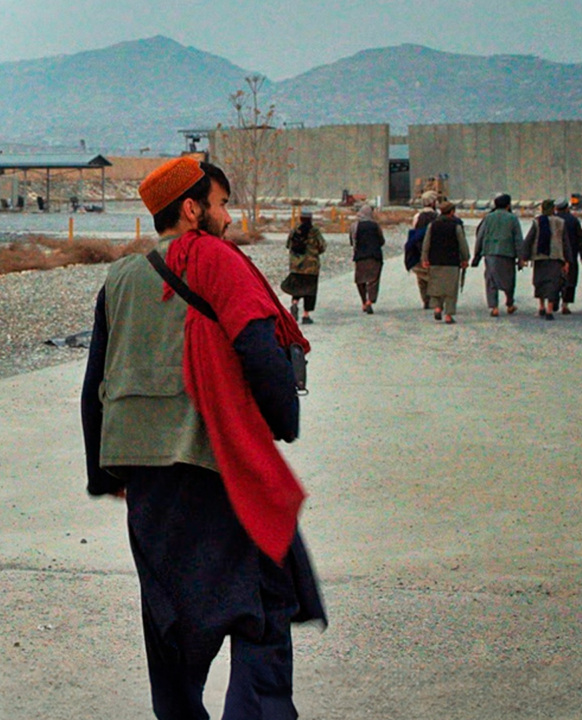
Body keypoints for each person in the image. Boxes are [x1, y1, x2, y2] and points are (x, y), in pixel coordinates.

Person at [80, 156, 325, 720]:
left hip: (147, 479)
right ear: (192, 210)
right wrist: (283, 422)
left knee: (170, 617)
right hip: (220, 466)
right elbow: (260, 350)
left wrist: (105, 475)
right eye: (221, 204)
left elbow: (95, 383)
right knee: (263, 605)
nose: (228, 217)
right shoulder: (219, 260)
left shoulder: (119, 278)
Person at [471, 193, 524, 317]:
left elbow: (480, 236)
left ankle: (494, 307)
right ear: (508, 205)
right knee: (509, 280)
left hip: (490, 253)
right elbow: (518, 239)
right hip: (508, 253)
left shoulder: (488, 218)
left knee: (491, 280)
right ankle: (509, 304)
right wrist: (521, 257)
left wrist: (477, 255)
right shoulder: (513, 218)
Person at [523, 200, 573, 320]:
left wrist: (524, 257)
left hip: (540, 257)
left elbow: (529, 240)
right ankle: (549, 310)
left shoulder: (537, 222)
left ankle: (541, 307)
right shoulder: (560, 222)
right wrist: (568, 260)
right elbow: (565, 242)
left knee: (540, 282)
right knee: (553, 283)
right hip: (556, 257)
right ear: (553, 209)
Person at [422, 201, 470, 324]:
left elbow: (426, 243)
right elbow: (462, 244)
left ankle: (437, 308)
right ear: (452, 212)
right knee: (451, 289)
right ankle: (448, 315)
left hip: (435, 260)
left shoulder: (432, 225)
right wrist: (465, 258)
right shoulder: (456, 226)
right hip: (452, 261)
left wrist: (424, 258)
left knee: (435, 285)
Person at [282, 207, 326, 324]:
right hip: (311, 266)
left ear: (300, 218)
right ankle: (306, 315)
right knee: (310, 290)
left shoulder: (295, 230)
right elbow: (322, 246)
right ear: (311, 218)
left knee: (297, 288)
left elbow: (288, 245)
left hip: (296, 266)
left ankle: (294, 303)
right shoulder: (314, 231)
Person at [406, 191, 440, 309]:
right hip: (434, 250)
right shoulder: (438, 217)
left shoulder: (417, 216)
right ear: (433, 202)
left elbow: (414, 232)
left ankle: (425, 299)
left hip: (419, 250)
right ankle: (435, 299)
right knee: (434, 275)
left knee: (421, 278)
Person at [350, 204, 386, 313]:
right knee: (373, 280)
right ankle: (370, 300)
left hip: (360, 257)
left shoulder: (354, 226)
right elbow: (382, 241)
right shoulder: (375, 225)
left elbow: (352, 241)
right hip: (375, 256)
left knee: (360, 280)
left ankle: (364, 301)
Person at [554, 199, 582, 314]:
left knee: (555, 278)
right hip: (571, 254)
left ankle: (554, 301)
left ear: (556, 208)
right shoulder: (573, 220)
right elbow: (580, 237)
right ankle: (565, 304)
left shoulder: (553, 220)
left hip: (556, 255)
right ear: (567, 208)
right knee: (570, 279)